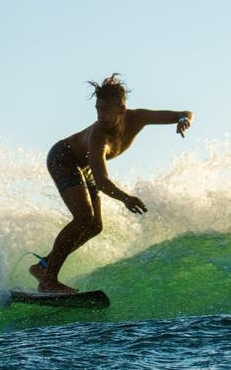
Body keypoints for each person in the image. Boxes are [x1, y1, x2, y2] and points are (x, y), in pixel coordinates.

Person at [30, 74, 193, 294]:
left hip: (82, 165)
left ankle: (44, 267)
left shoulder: (138, 118)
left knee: (95, 226)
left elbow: (183, 113)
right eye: (97, 109)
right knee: (83, 217)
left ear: (122, 109)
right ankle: (48, 281)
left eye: (105, 109)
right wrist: (126, 198)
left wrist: (184, 121)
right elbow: (102, 181)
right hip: (63, 158)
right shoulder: (99, 136)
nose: (100, 115)